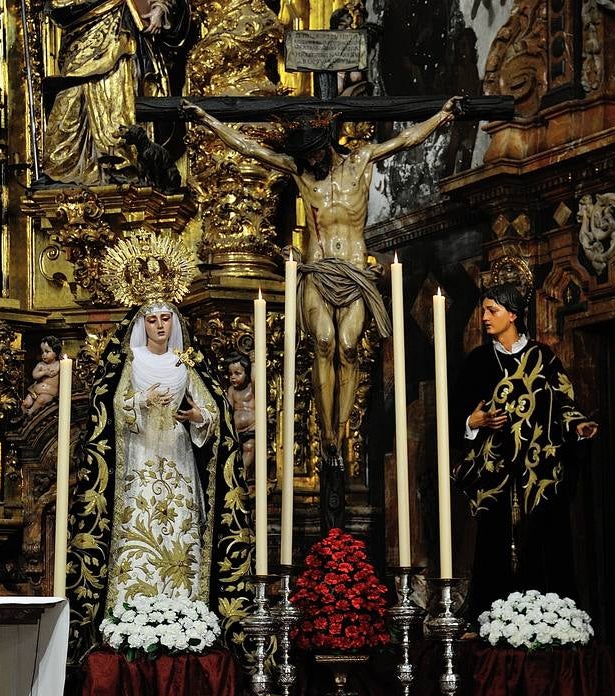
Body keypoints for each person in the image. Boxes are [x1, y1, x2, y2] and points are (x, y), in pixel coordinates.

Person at [185, 96, 460, 462]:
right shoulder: (300, 173)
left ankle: (339, 429)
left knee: (348, 346)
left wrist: (441, 115)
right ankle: (327, 433)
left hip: (353, 273)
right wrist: (206, 119)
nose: (311, 160)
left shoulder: (360, 162)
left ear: (326, 142)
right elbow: (250, 148)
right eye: (305, 154)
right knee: (325, 341)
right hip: (317, 271)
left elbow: (406, 139)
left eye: (314, 151)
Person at [67, 303, 252, 627]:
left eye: (165, 319)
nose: (160, 326)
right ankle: (128, 614)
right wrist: (142, 401)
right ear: (142, 325)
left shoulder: (186, 361)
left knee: (180, 524)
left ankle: (185, 615)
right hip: (138, 454)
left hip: (177, 453)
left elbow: (213, 410)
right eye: (152, 320)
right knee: (138, 520)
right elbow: (108, 407)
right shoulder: (131, 361)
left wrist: (198, 417)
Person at [452, 282, 599, 620]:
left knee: (546, 541)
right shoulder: (477, 362)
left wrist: (577, 425)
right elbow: (457, 414)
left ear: (513, 314)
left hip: (539, 471)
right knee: (493, 544)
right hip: (496, 473)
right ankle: (492, 619)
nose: (485, 317)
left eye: (493, 310)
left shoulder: (543, 356)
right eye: (484, 310)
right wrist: (474, 421)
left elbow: (562, 399)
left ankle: (553, 620)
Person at [41, 0, 188, 185]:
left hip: (121, 35)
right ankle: (68, 172)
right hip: (82, 36)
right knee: (69, 103)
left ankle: (120, 164)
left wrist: (161, 7)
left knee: (117, 98)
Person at [224, 349, 254, 479]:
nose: (233, 377)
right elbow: (228, 409)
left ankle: (244, 473)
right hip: (236, 432)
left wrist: (254, 362)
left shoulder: (252, 388)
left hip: (251, 428)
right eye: (230, 374)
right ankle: (236, 474)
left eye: (238, 373)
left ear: (247, 374)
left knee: (249, 448)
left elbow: (256, 378)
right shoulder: (231, 390)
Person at [21, 336, 63, 415]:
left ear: (56, 352)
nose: (44, 355)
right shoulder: (41, 365)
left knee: (41, 400)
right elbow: (34, 375)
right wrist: (44, 372)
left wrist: (58, 368)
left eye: (47, 352)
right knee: (26, 402)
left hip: (49, 394)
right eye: (42, 352)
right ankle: (23, 414)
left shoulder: (60, 364)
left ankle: (30, 412)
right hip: (34, 392)